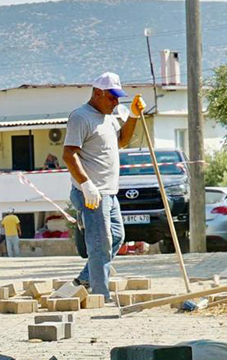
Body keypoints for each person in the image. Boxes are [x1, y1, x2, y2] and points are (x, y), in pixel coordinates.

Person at [62, 72, 145, 303]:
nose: (116, 102)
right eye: (112, 98)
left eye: (118, 98)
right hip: (91, 193)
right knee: (100, 245)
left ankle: (86, 279)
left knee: (117, 237)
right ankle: (101, 296)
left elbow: (122, 141)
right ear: (97, 93)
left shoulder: (109, 116)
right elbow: (69, 154)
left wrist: (134, 116)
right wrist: (86, 184)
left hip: (109, 191)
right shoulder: (81, 117)